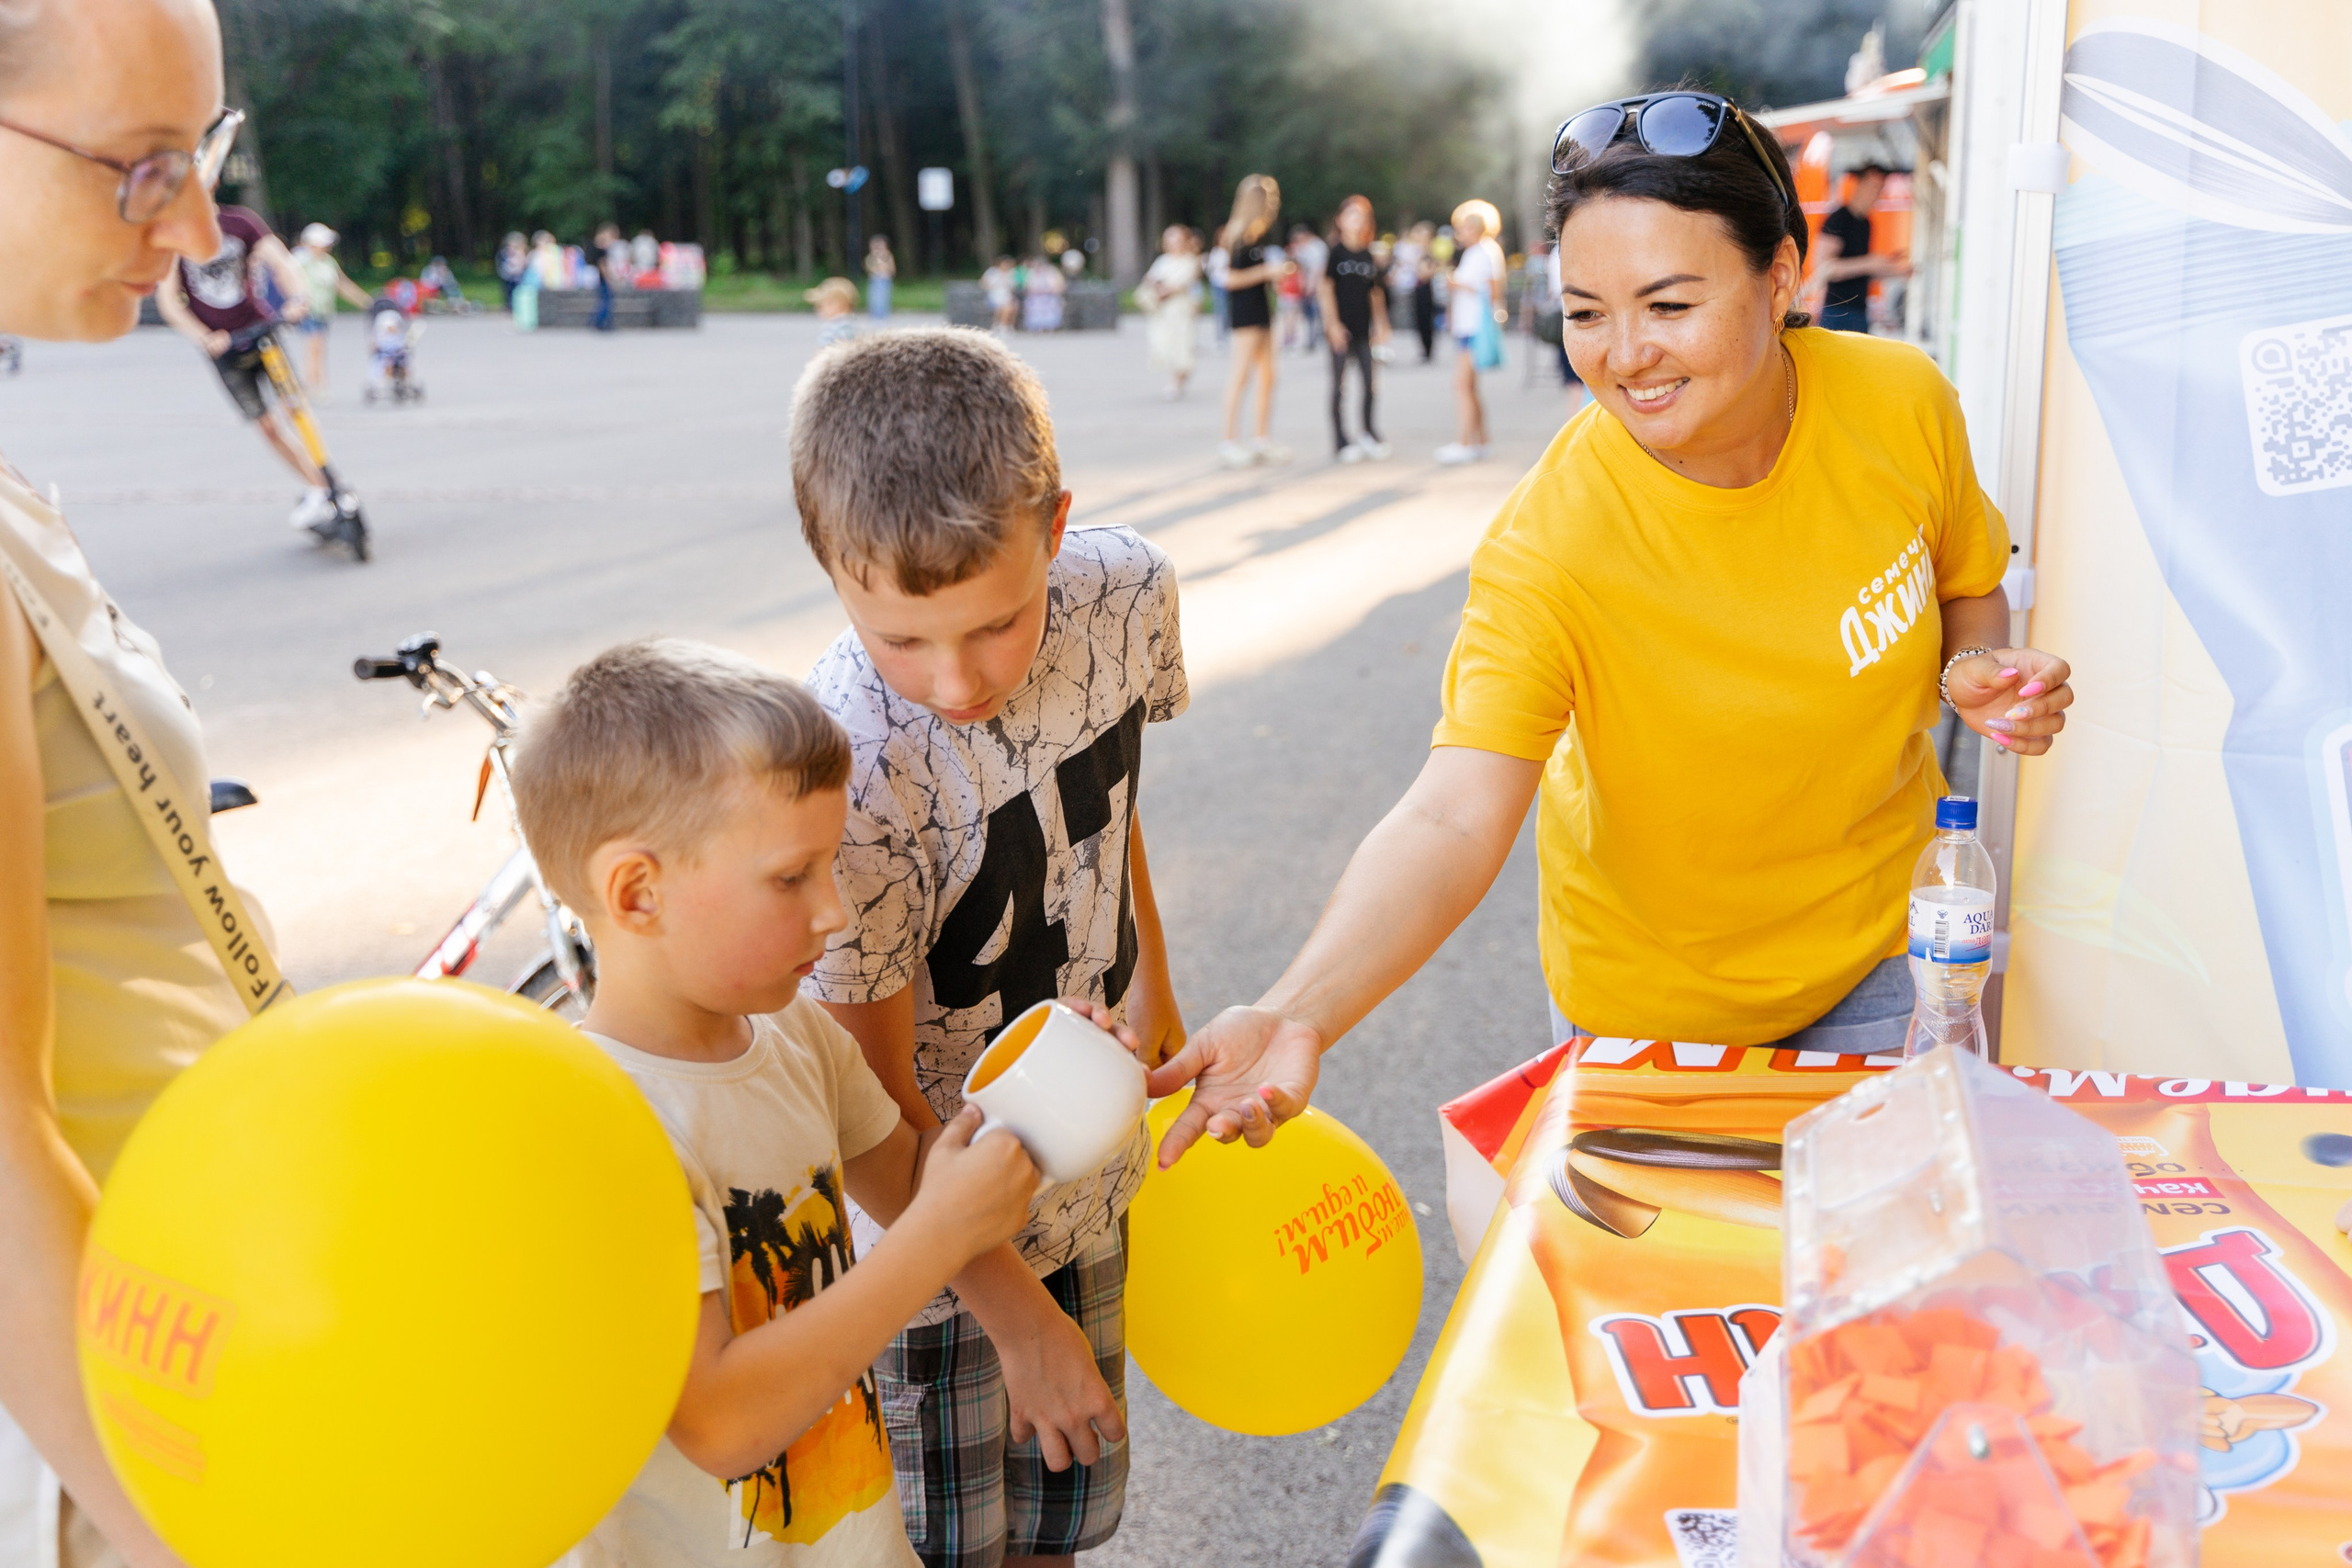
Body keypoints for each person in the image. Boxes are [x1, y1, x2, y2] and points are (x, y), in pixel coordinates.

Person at [1144, 89, 2075, 1174]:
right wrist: (1299, 1010)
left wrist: (1971, 670)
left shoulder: (1899, 400)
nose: (1626, 356)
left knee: (1874, 1294)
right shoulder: (1549, 545)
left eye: (1669, 306)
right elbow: (1452, 815)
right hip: (1648, 1017)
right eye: (1585, 313)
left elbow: (1970, 583)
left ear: (1781, 276)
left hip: (1882, 963)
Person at [512, 639, 1057, 1568]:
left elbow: (910, 1174)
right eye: (791, 876)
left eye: (829, 867)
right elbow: (720, 1423)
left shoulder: (796, 1036)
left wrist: (1048, 1091)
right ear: (637, 893)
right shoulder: (595, 1122)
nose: (834, 911)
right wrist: (940, 1236)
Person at [791, 329, 1190, 1568]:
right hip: (929, 1247)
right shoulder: (846, 766)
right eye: (902, 638)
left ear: (1058, 525)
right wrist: (1013, 1314)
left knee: (1062, 1522)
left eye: (997, 622)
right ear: (828, 567)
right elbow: (867, 1108)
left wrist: (1157, 998)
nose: (954, 678)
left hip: (1086, 1171)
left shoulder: (1129, 594)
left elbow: (1111, 815)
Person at [0, 3, 281, 1563]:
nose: (192, 226)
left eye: (206, 158)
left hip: (176, 1338)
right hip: (117, 1438)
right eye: (142, 166)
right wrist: (192, 1530)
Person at [155, 200, 337, 529]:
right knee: (266, 425)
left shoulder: (239, 223)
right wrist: (204, 337)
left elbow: (282, 262)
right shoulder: (174, 237)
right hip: (224, 347)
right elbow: (169, 302)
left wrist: (297, 298)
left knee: (296, 409)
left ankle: (327, 477)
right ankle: (316, 486)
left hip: (260, 331)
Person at [1216, 173, 1290, 467]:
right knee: (1240, 376)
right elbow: (1229, 279)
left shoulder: (1259, 237)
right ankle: (1229, 440)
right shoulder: (1236, 238)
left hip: (1263, 312)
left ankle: (1261, 438)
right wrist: (1267, 272)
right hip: (1244, 315)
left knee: (1269, 376)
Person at [1435, 197, 1506, 465]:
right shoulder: (1477, 252)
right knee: (1471, 387)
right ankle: (1480, 441)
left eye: (1463, 227)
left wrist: (1457, 285)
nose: (1459, 233)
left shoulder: (1484, 252)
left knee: (1463, 385)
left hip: (1475, 327)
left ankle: (1465, 442)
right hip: (1469, 325)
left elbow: (1492, 291)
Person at [1318, 195, 1390, 461]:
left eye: (1361, 216)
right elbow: (1325, 289)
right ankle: (1340, 441)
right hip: (1341, 329)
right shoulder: (1335, 252)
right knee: (1339, 386)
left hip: (1364, 330)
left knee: (1370, 383)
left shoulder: (1367, 253)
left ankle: (1369, 432)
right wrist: (1332, 324)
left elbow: (1376, 293)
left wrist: (1382, 325)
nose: (1356, 221)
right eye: (1351, 215)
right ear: (1340, 220)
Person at [1816, 162, 1908, 334]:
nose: (1876, 193)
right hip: (1836, 311)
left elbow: (1863, 273)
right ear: (1859, 184)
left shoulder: (1866, 223)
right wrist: (1869, 262)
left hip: (1860, 310)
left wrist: (1893, 269)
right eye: (1873, 186)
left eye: (1880, 188)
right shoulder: (1837, 219)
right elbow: (1824, 268)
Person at [288, 221, 371, 396]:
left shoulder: (328, 262)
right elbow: (287, 280)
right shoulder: (301, 261)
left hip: (324, 312)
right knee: (314, 347)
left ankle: (314, 384)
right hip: (308, 311)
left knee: (319, 349)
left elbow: (342, 284)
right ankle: (315, 386)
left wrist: (367, 302)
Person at [1136, 223, 1201, 400]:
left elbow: (1182, 284)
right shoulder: (1162, 261)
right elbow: (1150, 278)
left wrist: (1162, 289)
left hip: (1180, 310)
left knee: (1182, 345)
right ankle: (1179, 376)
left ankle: (1177, 381)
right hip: (1163, 312)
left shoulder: (1190, 261)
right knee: (1164, 344)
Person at [1289, 220, 1328, 352]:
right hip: (1305, 285)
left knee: (1317, 312)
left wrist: (1311, 285)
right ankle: (1310, 338)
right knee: (1307, 314)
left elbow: (1318, 268)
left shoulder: (1316, 247)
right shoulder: (1301, 247)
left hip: (1316, 285)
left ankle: (1318, 337)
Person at [805, 275, 858, 344]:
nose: (819, 309)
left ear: (840, 305)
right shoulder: (853, 326)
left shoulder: (839, 330)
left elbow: (828, 351)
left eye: (822, 305)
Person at [590, 220, 623, 332]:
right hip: (603, 278)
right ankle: (600, 322)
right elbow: (603, 265)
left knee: (604, 300)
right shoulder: (602, 249)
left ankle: (600, 322)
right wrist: (610, 278)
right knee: (606, 301)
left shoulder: (598, 247)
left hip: (600, 278)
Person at [1020, 252, 1064, 332]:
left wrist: (1050, 290)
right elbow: (1026, 287)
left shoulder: (1053, 272)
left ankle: (1050, 326)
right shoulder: (1031, 273)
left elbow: (1060, 286)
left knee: (1052, 306)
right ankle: (1036, 327)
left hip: (1050, 298)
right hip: (1035, 298)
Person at [982, 254, 1018, 332]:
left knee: (1011, 306)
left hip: (1006, 296)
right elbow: (984, 284)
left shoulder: (1011, 273)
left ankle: (1004, 325)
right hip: (994, 296)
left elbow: (1013, 286)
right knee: (1004, 306)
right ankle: (1003, 325)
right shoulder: (992, 272)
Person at [494, 229, 526, 311]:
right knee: (508, 291)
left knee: (517, 291)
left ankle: (516, 306)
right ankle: (509, 305)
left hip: (517, 276)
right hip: (508, 276)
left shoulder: (521, 252)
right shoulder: (504, 252)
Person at [866, 233, 897, 320]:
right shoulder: (871, 257)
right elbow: (869, 268)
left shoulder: (888, 256)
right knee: (874, 297)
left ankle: (883, 314)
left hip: (885, 279)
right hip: (875, 279)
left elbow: (892, 269)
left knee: (884, 297)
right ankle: (875, 314)